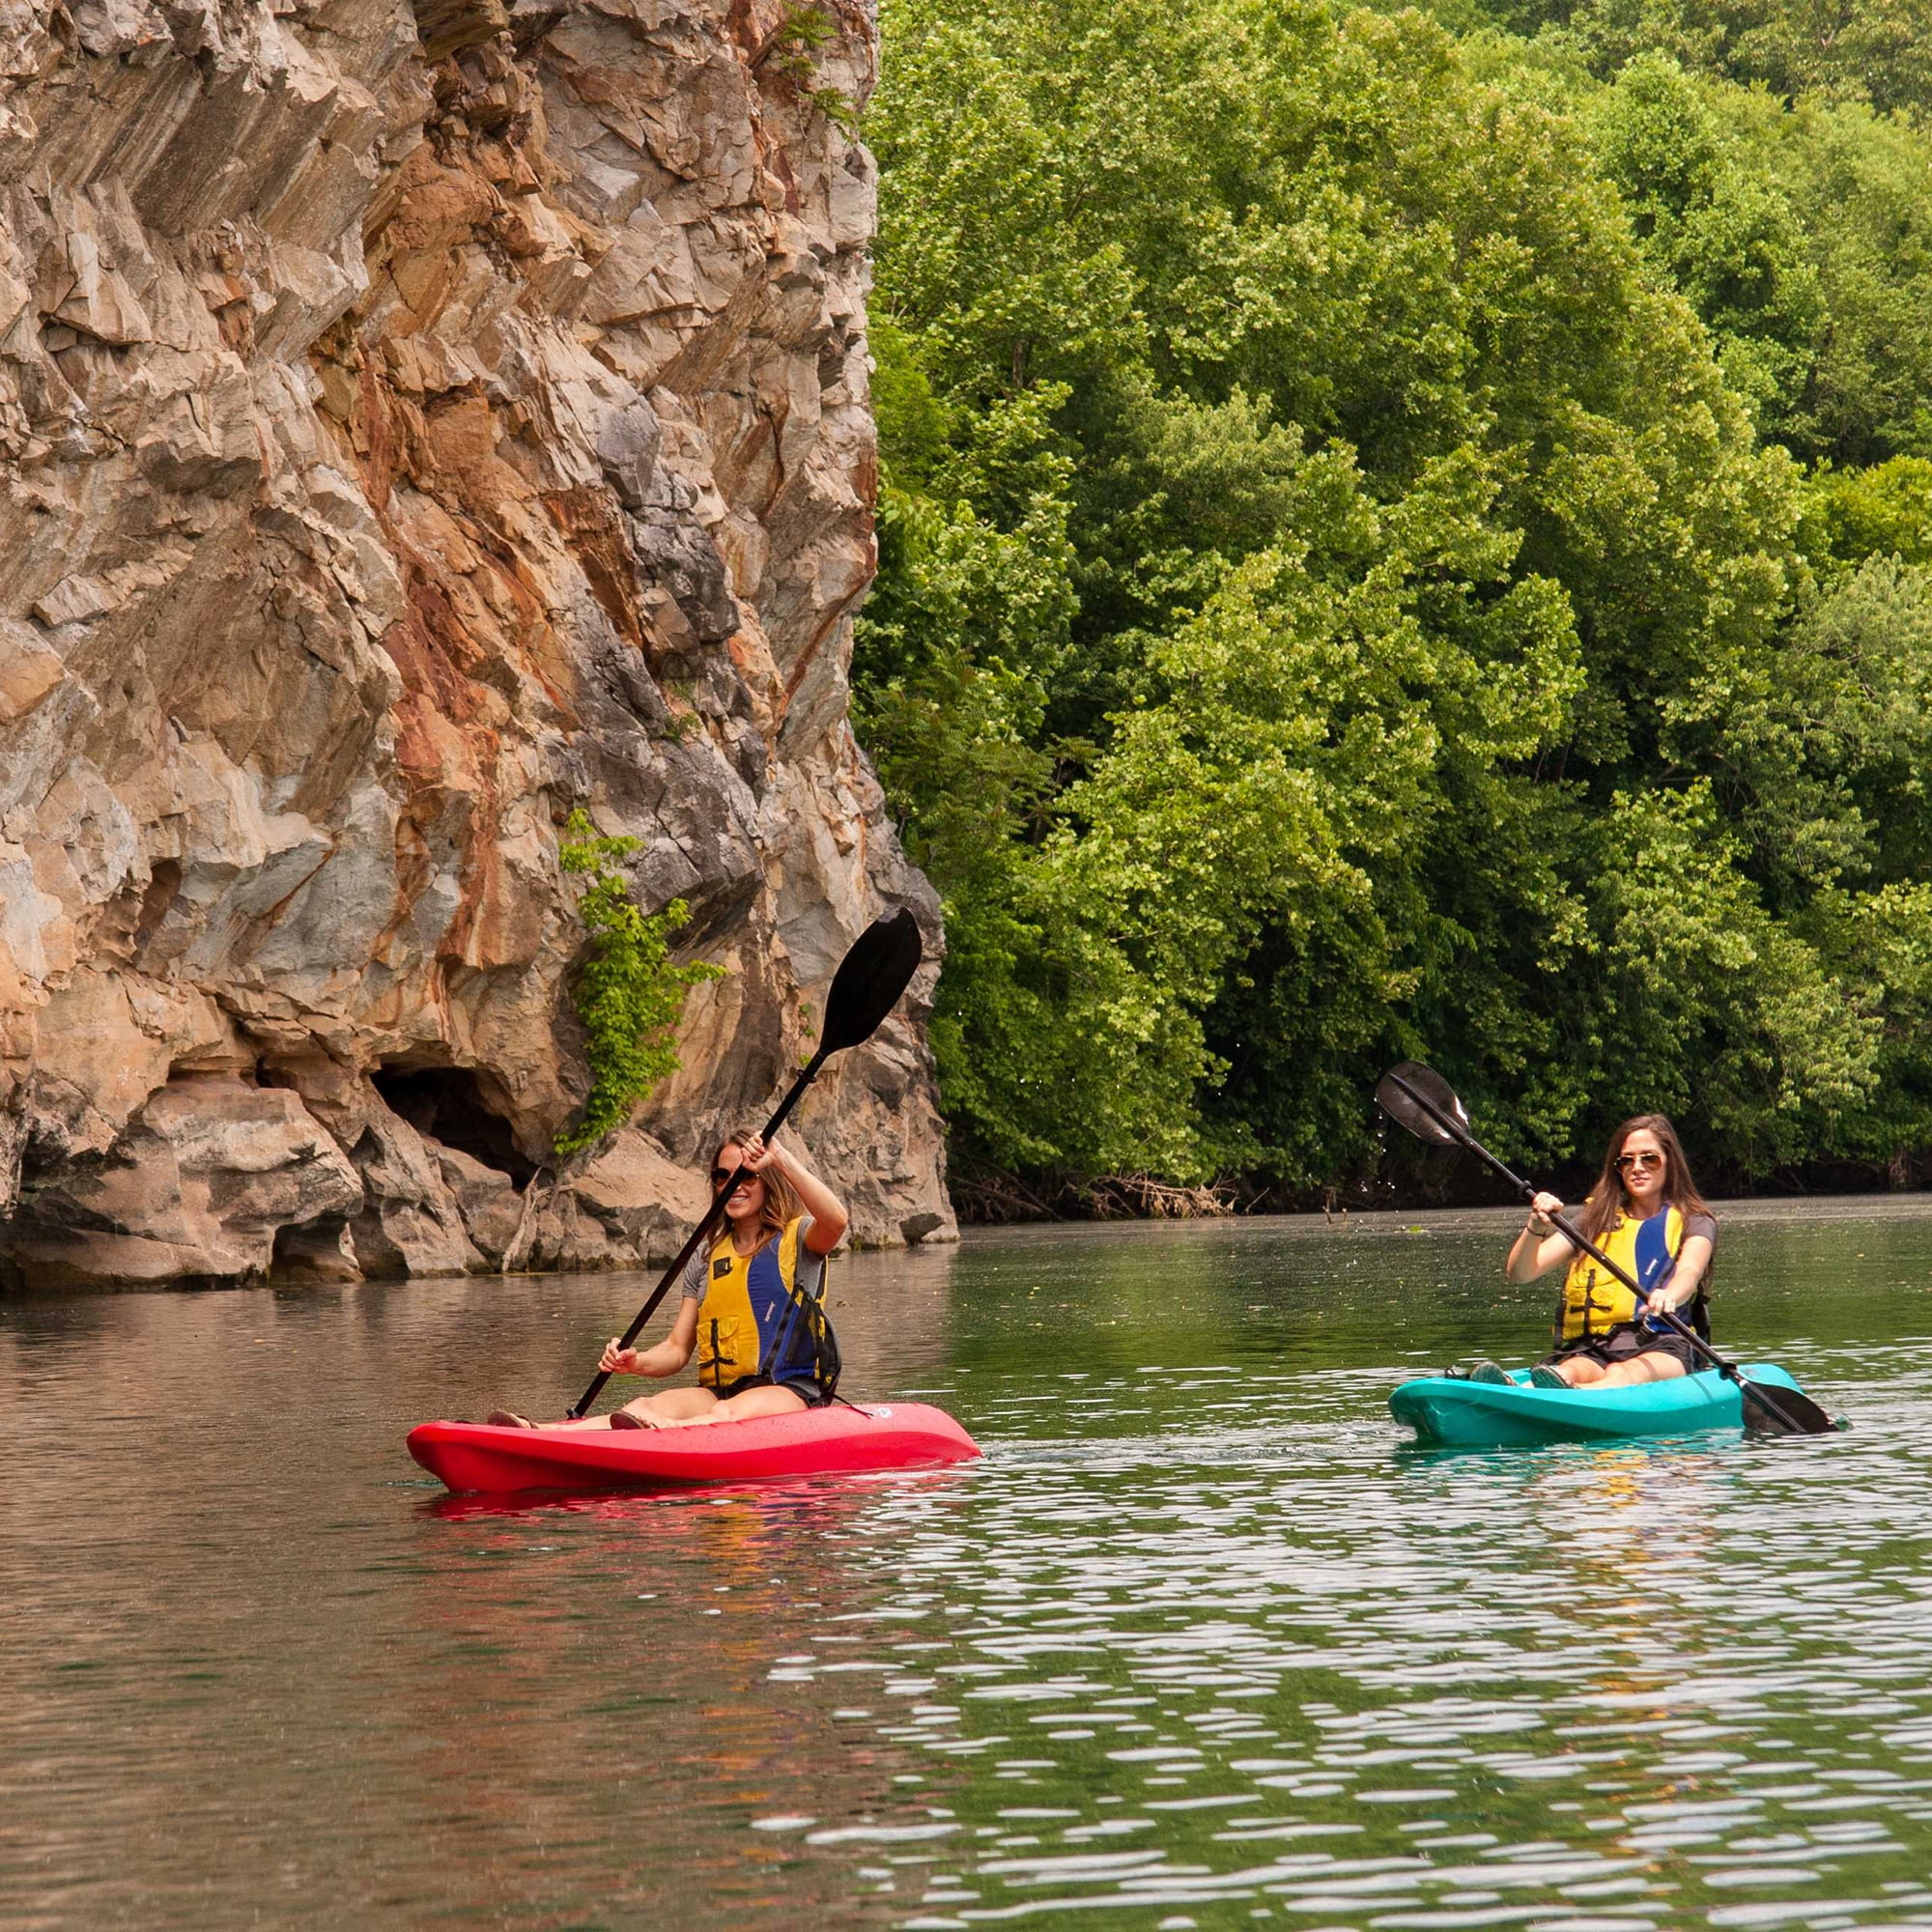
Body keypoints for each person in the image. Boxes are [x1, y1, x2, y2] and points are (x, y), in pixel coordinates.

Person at [489, 1130, 845, 1430]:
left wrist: (780, 1156)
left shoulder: (799, 1240)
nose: (732, 1184)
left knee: (723, 1414)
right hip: (720, 1391)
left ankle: (663, 1435)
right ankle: (539, 1431)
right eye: (722, 1176)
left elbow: (836, 1220)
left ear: (767, 1181)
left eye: (746, 1175)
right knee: (641, 1406)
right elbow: (677, 1350)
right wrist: (635, 1362)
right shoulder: (705, 1259)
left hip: (788, 1390)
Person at [1481, 1114, 1718, 1389]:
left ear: (1669, 1162)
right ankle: (1524, 1391)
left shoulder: (1695, 1219)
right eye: (1626, 1160)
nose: (1637, 1167)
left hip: (1664, 1344)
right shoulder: (1595, 1220)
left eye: (1649, 1159)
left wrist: (1670, 1296)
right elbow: (1521, 1273)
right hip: (1596, 1346)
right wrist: (1535, 1226)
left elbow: (1690, 1270)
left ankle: (1564, 1397)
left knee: (1623, 1373)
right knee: (1570, 1369)